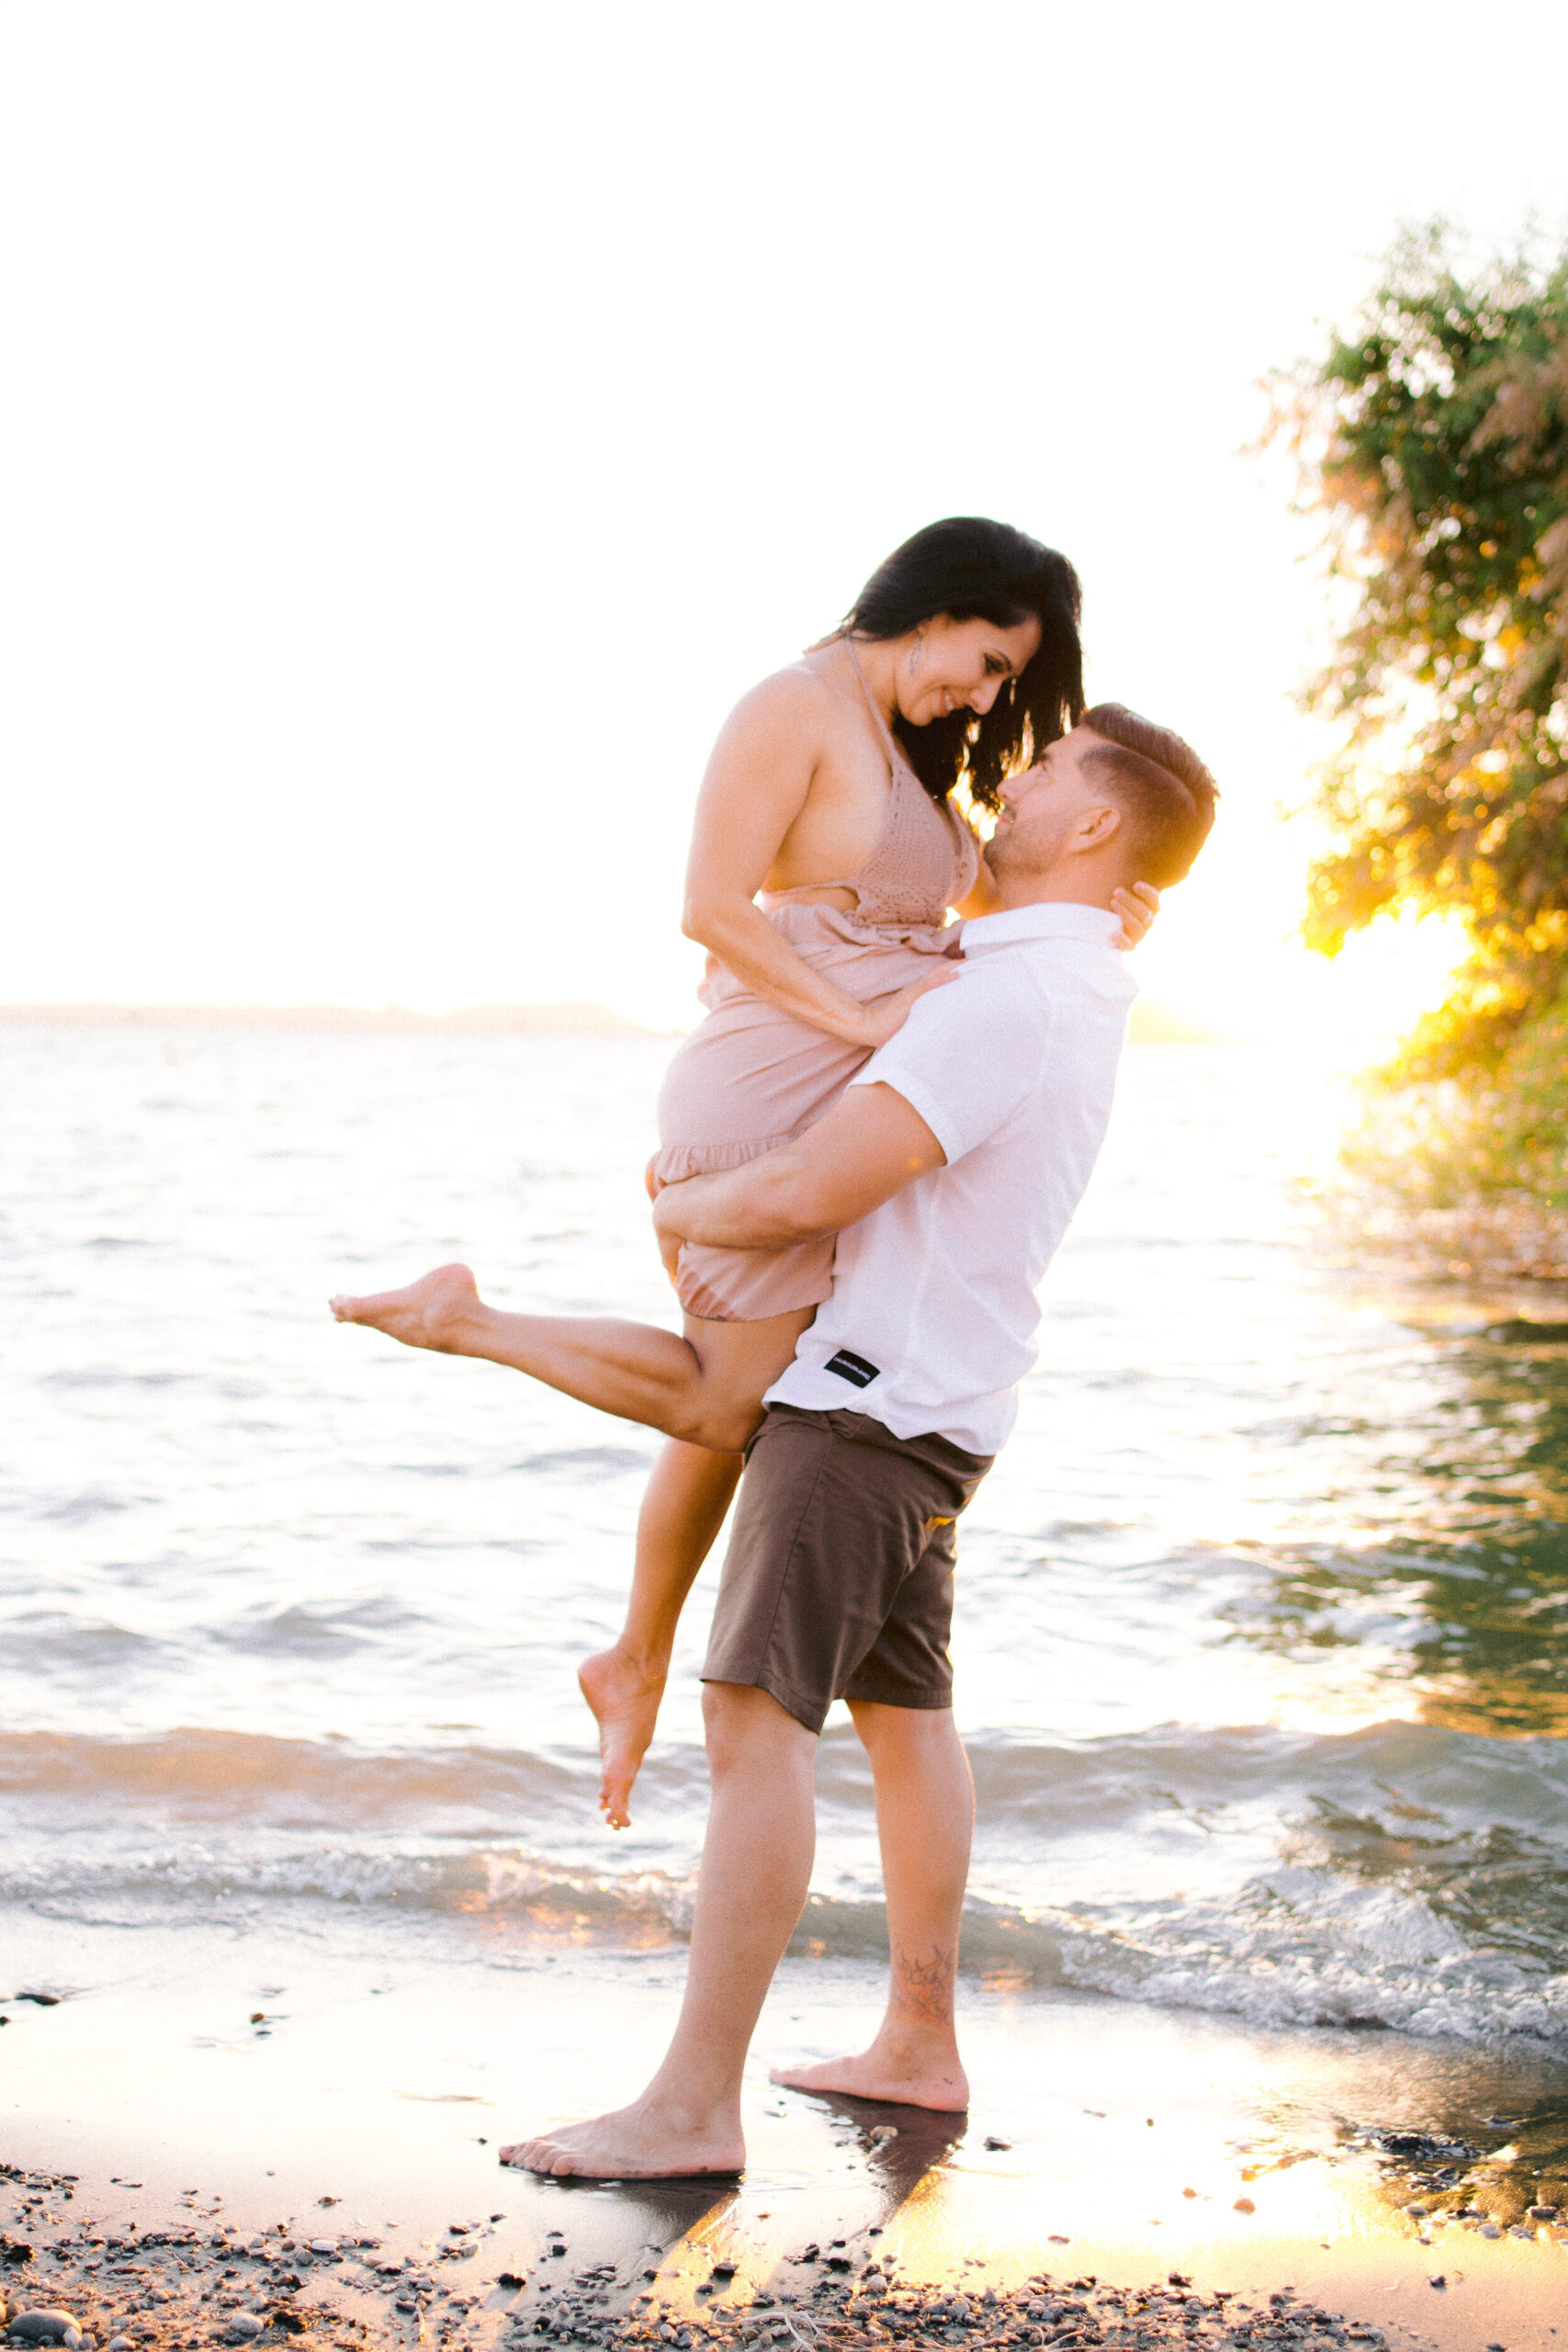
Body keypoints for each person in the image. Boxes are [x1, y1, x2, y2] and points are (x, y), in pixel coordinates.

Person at [334, 703, 1217, 2177]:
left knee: (752, 1724)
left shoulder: (1013, 1001)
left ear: (1096, 829)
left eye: (1045, 774)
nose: (1013, 783)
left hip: (862, 1413)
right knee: (908, 1722)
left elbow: (811, 1185)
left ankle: (691, 2106)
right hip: (938, 1410)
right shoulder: (1063, 979)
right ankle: (919, 2043)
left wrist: (675, 1205)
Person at [333, 517, 1156, 1828]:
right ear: (938, 605)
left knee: (750, 1396)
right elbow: (710, 906)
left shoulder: (900, 745)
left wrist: (1089, 909)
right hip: (762, 1096)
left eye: (1010, 684)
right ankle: (466, 1322)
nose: (989, 697)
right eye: (990, 660)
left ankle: (632, 1651)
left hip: (822, 1104)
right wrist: (868, 1027)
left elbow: (929, 929)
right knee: (728, 1406)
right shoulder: (791, 706)